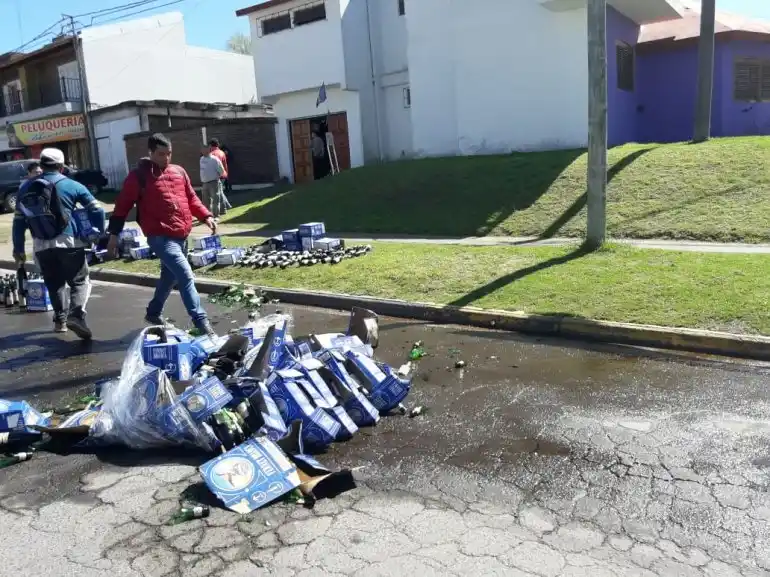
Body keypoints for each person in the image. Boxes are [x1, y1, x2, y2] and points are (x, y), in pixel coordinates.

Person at [107, 133, 218, 336]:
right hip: (159, 237)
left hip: (181, 235)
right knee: (185, 274)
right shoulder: (138, 176)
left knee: (169, 277)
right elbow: (122, 206)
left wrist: (206, 216)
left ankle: (153, 312)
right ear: (150, 153)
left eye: (169, 154)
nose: (166, 158)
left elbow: (191, 198)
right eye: (161, 154)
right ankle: (201, 322)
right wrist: (114, 235)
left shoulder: (179, 172)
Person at [12, 147, 105, 339]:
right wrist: (98, 231)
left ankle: (60, 321)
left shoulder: (25, 188)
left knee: (54, 283)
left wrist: (18, 249)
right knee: (79, 280)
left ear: (42, 165)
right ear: (61, 167)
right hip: (69, 241)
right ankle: (76, 316)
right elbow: (97, 209)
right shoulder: (71, 185)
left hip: (40, 244)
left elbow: (18, 222)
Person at [199, 146, 224, 218]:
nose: (202, 151)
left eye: (203, 150)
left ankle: (216, 216)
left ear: (208, 150)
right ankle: (208, 215)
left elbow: (221, 171)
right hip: (204, 183)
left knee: (215, 200)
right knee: (205, 201)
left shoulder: (214, 159)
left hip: (213, 182)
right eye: (201, 150)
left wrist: (216, 177)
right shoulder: (201, 159)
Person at [209, 139, 232, 213]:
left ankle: (225, 207)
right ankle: (228, 206)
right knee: (220, 191)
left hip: (217, 176)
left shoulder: (212, 154)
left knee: (219, 192)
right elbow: (225, 164)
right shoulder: (222, 152)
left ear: (211, 146)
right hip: (223, 175)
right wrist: (226, 174)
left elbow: (212, 166)